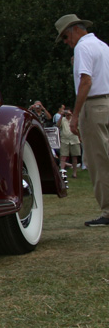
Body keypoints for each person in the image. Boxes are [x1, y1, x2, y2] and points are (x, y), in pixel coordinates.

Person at [56, 13, 109, 227]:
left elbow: (86, 81)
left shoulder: (82, 48)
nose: (67, 43)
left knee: (99, 161)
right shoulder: (103, 46)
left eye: (66, 38)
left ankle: (108, 211)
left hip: (95, 106)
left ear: (74, 30)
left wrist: (75, 114)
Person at [59, 109, 82, 177]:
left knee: (74, 157)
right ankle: (62, 173)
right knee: (63, 156)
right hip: (64, 140)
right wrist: (61, 115)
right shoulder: (62, 119)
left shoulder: (74, 119)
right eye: (66, 113)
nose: (67, 114)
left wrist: (72, 116)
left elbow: (78, 126)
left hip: (74, 140)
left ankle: (74, 173)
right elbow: (58, 125)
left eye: (68, 113)